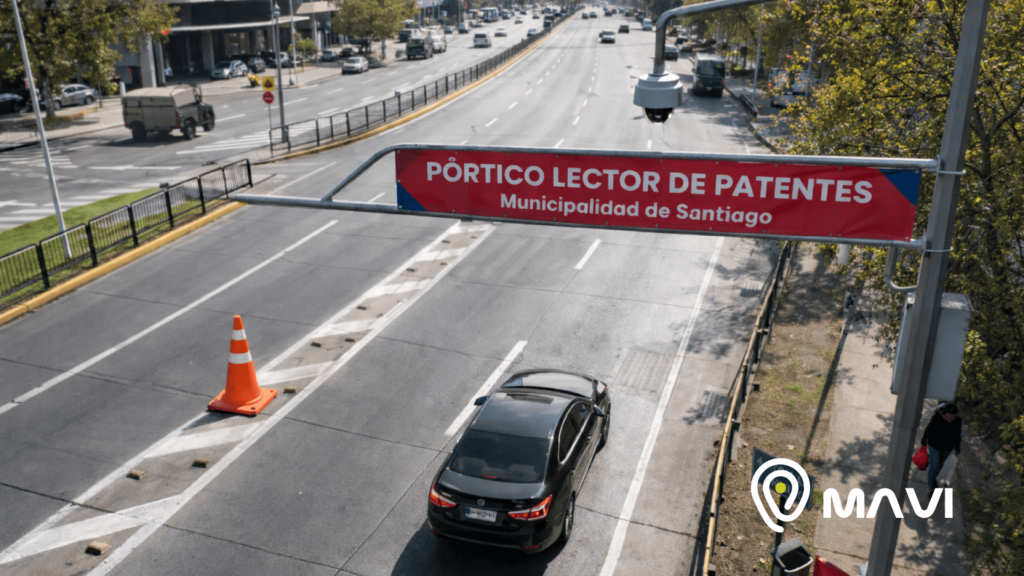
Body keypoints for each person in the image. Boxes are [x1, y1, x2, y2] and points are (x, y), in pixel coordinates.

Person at [920, 403, 962, 496]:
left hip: (947, 448)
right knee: (935, 465)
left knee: (939, 466)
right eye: (950, 415)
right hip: (934, 445)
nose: (952, 417)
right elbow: (929, 429)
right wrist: (924, 439)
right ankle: (931, 488)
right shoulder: (937, 418)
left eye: (954, 415)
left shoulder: (958, 421)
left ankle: (933, 479)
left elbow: (957, 435)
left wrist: (957, 447)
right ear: (945, 413)